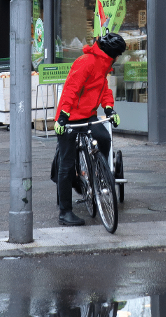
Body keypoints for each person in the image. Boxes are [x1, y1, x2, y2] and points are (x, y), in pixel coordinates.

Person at [53, 32, 126, 226]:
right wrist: (62, 118)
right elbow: (71, 89)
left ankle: (98, 172)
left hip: (88, 115)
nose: (118, 58)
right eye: (118, 55)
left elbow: (103, 89)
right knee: (66, 165)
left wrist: (109, 108)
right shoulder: (86, 62)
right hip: (69, 117)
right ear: (113, 54)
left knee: (103, 137)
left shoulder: (103, 66)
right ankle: (65, 212)